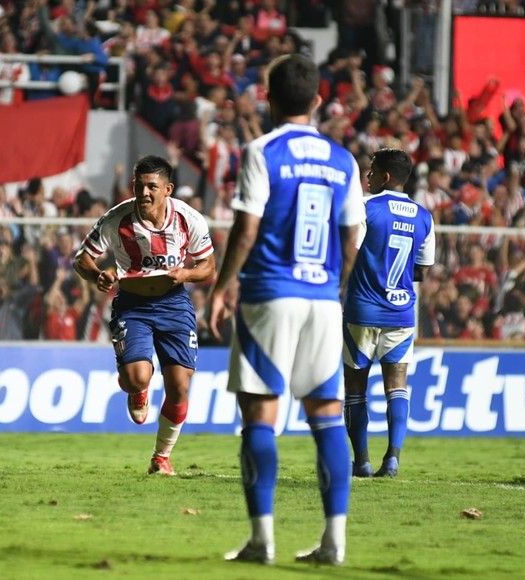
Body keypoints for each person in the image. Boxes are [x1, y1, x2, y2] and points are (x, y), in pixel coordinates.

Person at [207, 54, 364, 567]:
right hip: (321, 298)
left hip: (269, 294)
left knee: (259, 414)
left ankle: (261, 541)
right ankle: (334, 542)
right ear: (319, 101)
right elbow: (351, 238)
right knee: (326, 416)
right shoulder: (343, 159)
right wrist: (334, 287)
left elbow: (247, 228)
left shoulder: (261, 151)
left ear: (268, 99)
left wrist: (221, 286)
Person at [73, 155, 216, 476]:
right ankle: (137, 386)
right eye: (139, 186)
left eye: (152, 187)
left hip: (174, 303)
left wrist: (186, 275)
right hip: (133, 306)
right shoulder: (117, 219)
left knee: (179, 385)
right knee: (138, 377)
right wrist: (97, 274)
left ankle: (161, 457)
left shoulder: (188, 218)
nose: (144, 193)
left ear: (168, 189)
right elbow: (82, 259)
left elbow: (208, 266)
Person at [342, 148, 436, 480]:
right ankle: (393, 458)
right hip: (401, 312)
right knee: (397, 384)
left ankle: (362, 462)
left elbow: (349, 252)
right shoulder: (424, 216)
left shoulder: (367, 209)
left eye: (371, 171)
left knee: (355, 387)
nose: (367, 177)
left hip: (363, 310)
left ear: (384, 177)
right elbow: (422, 270)